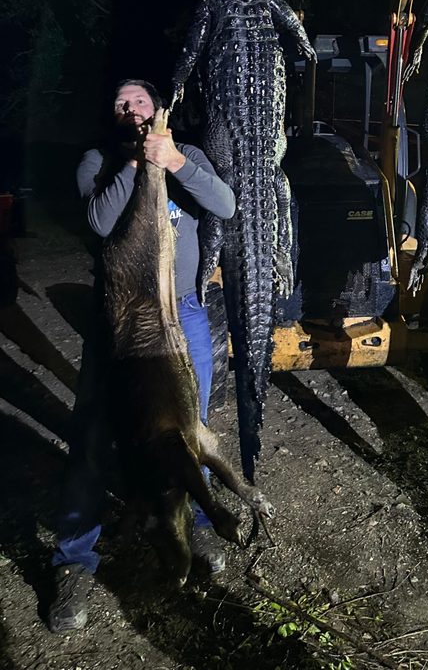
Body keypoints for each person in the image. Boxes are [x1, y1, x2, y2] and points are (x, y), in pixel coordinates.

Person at [48, 79, 236, 633]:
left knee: (192, 428)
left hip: (182, 318)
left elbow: (224, 203)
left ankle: (196, 523)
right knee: (92, 438)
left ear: (158, 109)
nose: (129, 109)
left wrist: (174, 159)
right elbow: (100, 225)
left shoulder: (188, 154)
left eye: (138, 101)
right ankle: (74, 560)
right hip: (123, 325)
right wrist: (133, 165)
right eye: (119, 103)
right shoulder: (98, 160)